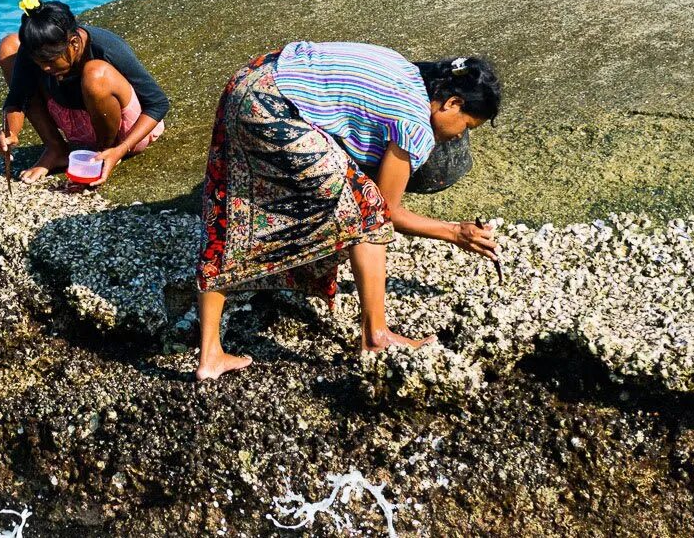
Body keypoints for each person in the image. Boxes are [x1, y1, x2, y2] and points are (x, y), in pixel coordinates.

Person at [194, 41, 502, 380]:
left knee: (234, 206)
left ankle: (210, 355)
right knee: (366, 210)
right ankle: (376, 335)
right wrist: (454, 232)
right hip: (272, 106)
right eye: (467, 127)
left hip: (250, 79)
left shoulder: (409, 72)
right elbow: (385, 213)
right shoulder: (415, 124)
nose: (459, 137)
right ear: (452, 103)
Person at [0, 0, 169, 186]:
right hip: (73, 120)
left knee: (95, 73)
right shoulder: (39, 51)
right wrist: (10, 133)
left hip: (123, 133)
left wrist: (121, 148)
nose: (44, 68)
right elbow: (18, 96)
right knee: (9, 46)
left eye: (50, 61)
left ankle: (103, 153)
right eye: (39, 62)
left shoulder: (106, 47)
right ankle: (56, 148)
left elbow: (158, 103)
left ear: (74, 44)